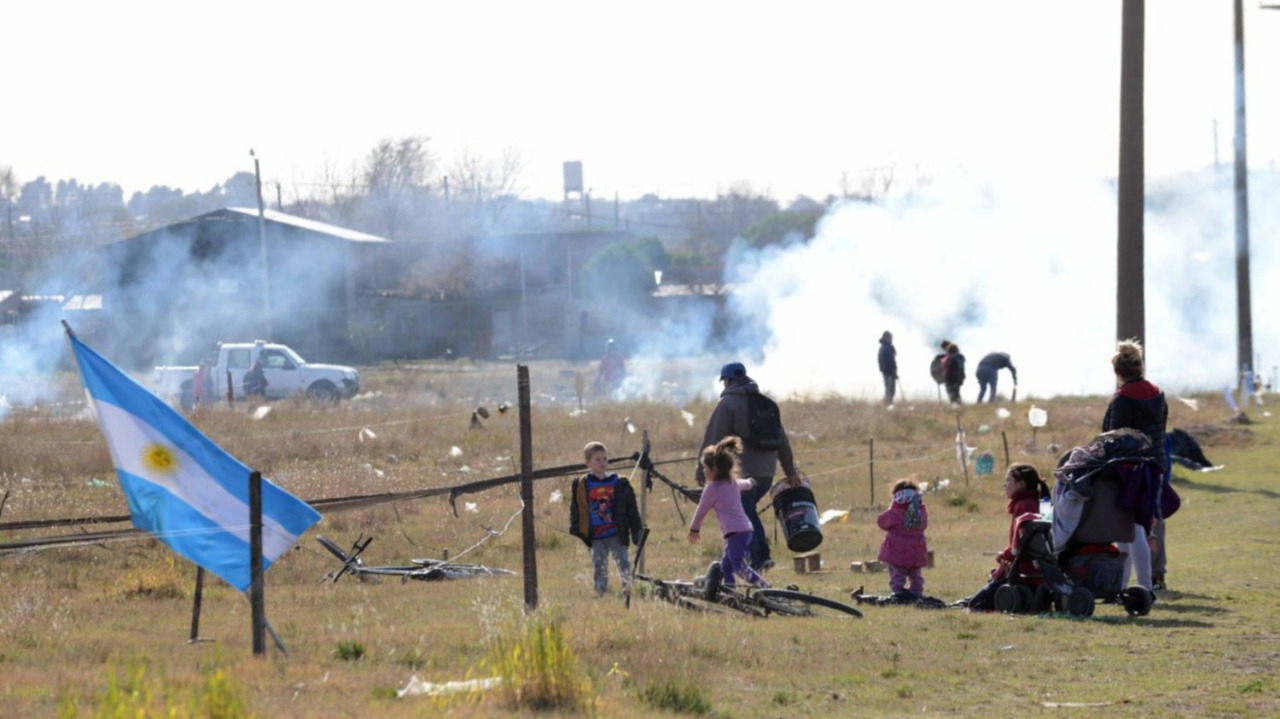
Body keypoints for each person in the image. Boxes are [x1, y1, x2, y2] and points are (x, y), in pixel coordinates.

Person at [695, 361, 801, 572]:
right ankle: (753, 556)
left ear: (726, 381)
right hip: (767, 474)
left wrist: (702, 469)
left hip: (742, 473)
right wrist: (790, 472)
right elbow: (782, 441)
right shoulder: (766, 403)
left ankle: (758, 558)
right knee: (747, 510)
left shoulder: (727, 404)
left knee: (743, 512)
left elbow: (713, 438)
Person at [1101, 338, 1168, 591]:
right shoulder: (1157, 393)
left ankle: (1140, 585)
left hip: (1129, 469)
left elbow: (1114, 437)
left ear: (1118, 371)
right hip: (1156, 466)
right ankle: (1151, 578)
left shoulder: (1122, 399)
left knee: (1129, 528)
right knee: (1150, 522)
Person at [962, 463, 1050, 610]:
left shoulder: (1023, 506)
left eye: (1008, 480)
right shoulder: (1038, 503)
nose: (1005, 485)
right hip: (1039, 572)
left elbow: (1022, 545)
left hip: (1023, 572)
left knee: (975, 604)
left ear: (1021, 484)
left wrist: (1004, 555)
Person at [687, 436, 769, 590]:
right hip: (744, 531)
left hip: (737, 533)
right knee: (726, 566)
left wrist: (694, 529)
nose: (703, 471)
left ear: (714, 470)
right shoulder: (733, 483)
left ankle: (766, 588)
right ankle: (730, 591)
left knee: (739, 567)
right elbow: (746, 484)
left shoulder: (711, 489)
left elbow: (701, 510)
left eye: (705, 468)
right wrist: (752, 482)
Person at [569, 441, 643, 596]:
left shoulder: (617, 482)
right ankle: (601, 589)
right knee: (599, 564)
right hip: (597, 534)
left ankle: (628, 587)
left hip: (616, 531)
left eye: (604, 458)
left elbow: (631, 509)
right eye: (597, 459)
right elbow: (577, 508)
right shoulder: (584, 484)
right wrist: (579, 529)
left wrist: (636, 529)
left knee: (623, 561)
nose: (602, 462)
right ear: (588, 463)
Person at [876, 479, 929, 598]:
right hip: (916, 550)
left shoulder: (894, 512)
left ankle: (898, 593)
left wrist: (891, 507)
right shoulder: (920, 512)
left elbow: (882, 522)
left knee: (897, 574)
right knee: (916, 574)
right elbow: (924, 525)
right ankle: (917, 593)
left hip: (897, 551)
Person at [878, 331, 898, 405]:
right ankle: (888, 402)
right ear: (887, 337)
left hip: (886, 371)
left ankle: (888, 402)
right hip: (889, 372)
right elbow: (890, 361)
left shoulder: (883, 348)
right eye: (890, 337)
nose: (891, 339)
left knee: (888, 388)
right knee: (890, 389)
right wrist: (893, 371)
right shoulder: (887, 348)